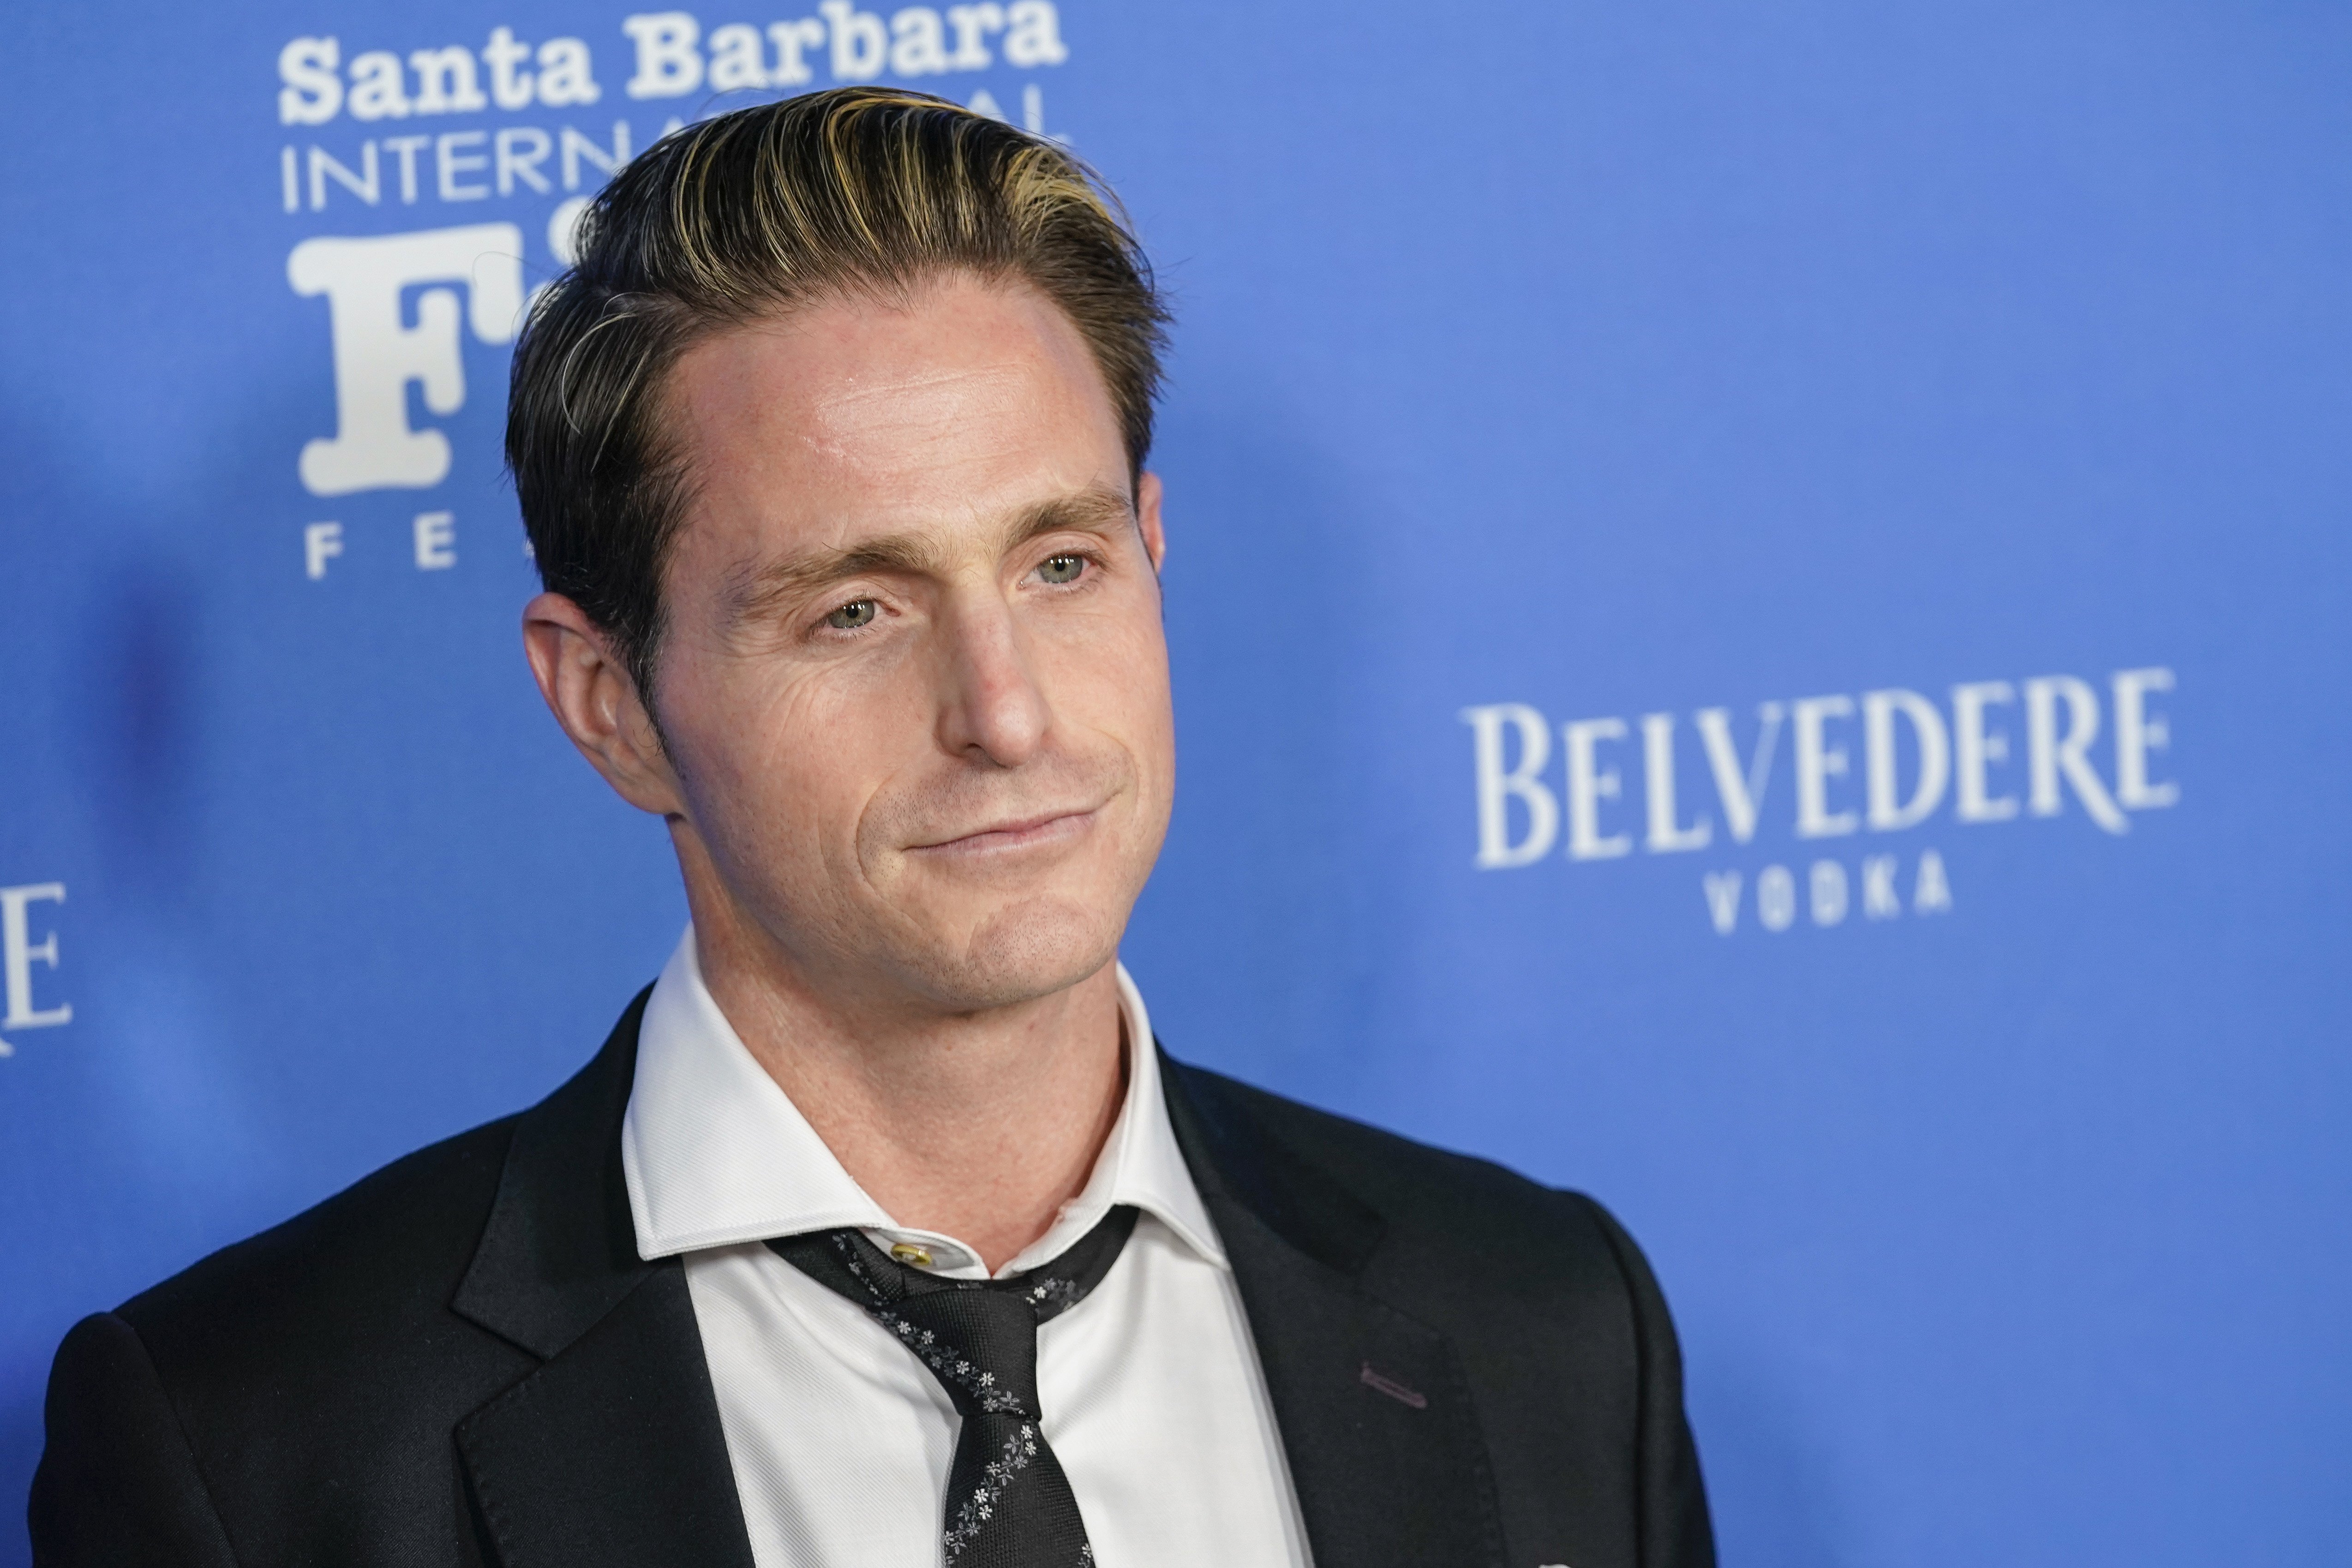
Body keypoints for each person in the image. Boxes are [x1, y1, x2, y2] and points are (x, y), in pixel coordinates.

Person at [29, 89, 1713, 1568]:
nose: (1010, 713)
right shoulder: (255, 1449)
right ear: (610, 703)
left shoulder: (1544, 1324)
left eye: (1062, 566)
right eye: (854, 609)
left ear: (1151, 554)